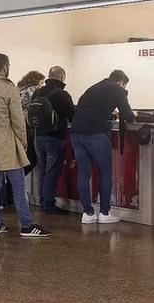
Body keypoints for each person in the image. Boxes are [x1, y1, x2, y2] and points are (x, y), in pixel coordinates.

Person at [0, 53, 51, 238]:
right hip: (7, 145)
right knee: (18, 185)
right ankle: (26, 225)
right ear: (5, 66)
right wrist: (23, 142)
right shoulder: (9, 89)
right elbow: (18, 120)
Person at [71, 69, 135, 224]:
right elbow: (129, 116)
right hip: (96, 133)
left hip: (76, 132)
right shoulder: (117, 89)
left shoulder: (94, 87)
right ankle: (104, 213)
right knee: (105, 173)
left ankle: (87, 213)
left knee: (83, 174)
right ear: (121, 82)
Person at [32, 66, 75, 215]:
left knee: (42, 171)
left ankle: (43, 201)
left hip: (38, 137)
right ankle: (49, 204)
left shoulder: (38, 92)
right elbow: (72, 116)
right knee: (52, 172)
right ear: (62, 78)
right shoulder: (61, 94)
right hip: (55, 137)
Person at [17, 70, 45, 175]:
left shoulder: (19, 89)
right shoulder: (32, 90)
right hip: (28, 126)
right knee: (32, 159)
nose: (42, 85)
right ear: (36, 81)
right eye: (42, 83)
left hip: (19, 126)